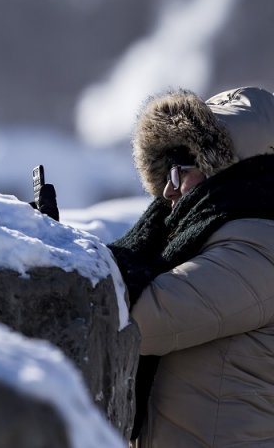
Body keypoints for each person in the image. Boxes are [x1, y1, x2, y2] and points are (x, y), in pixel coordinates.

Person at [33, 86, 274, 446]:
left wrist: (63, 259)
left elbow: (137, 320)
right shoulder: (211, 236)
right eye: (165, 175)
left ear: (227, 172)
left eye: (179, 172)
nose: (167, 192)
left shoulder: (259, 249)